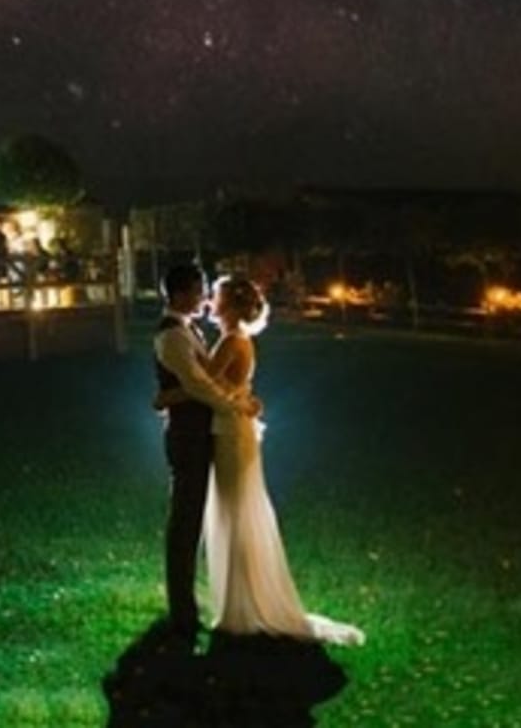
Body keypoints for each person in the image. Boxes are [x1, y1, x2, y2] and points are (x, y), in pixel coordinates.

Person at [196, 273, 365, 648]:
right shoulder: (239, 340)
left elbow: (203, 382)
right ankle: (240, 599)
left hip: (230, 431)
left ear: (231, 304)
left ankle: (241, 606)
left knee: (234, 510)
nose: (210, 299)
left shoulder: (231, 340)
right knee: (234, 509)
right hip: (234, 427)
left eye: (216, 295)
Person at [153, 261, 261, 648]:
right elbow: (200, 385)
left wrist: (168, 397)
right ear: (181, 294)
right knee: (185, 521)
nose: (203, 298)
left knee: (199, 516)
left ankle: (202, 604)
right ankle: (183, 609)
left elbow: (204, 384)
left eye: (207, 293)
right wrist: (237, 402)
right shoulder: (173, 336)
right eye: (199, 291)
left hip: (209, 432)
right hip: (189, 436)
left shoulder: (189, 330)